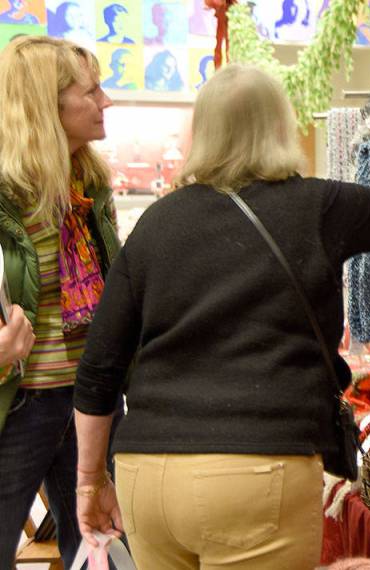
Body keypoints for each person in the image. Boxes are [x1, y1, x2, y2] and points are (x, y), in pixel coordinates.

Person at [73, 64, 370, 569]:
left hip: (148, 474)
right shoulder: (318, 206)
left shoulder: (156, 223)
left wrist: (89, 482)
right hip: (258, 468)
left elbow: (98, 371)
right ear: (280, 126)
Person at [0, 36, 121, 568]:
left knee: (102, 551)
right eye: (91, 91)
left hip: (92, 402)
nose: (105, 100)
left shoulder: (90, 186)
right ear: (46, 105)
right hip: (17, 403)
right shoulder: (7, 195)